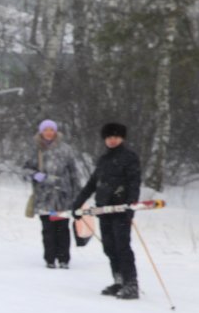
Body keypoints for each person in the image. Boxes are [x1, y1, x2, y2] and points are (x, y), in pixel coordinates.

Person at [71, 122, 142, 299]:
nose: (112, 140)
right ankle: (118, 281)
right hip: (103, 210)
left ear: (122, 138)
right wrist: (78, 203)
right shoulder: (104, 160)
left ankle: (131, 284)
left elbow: (134, 183)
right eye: (109, 137)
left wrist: (131, 205)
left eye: (116, 137)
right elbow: (92, 184)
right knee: (109, 247)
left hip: (121, 210)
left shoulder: (129, 157)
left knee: (122, 247)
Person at [22, 119, 81, 268]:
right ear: (41, 132)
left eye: (51, 130)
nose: (49, 132)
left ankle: (63, 259)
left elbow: (74, 172)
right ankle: (49, 259)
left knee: (63, 228)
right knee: (48, 229)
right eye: (46, 130)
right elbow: (25, 169)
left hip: (63, 195)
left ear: (56, 132)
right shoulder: (34, 149)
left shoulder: (66, 149)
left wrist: (77, 193)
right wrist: (38, 176)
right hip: (44, 196)